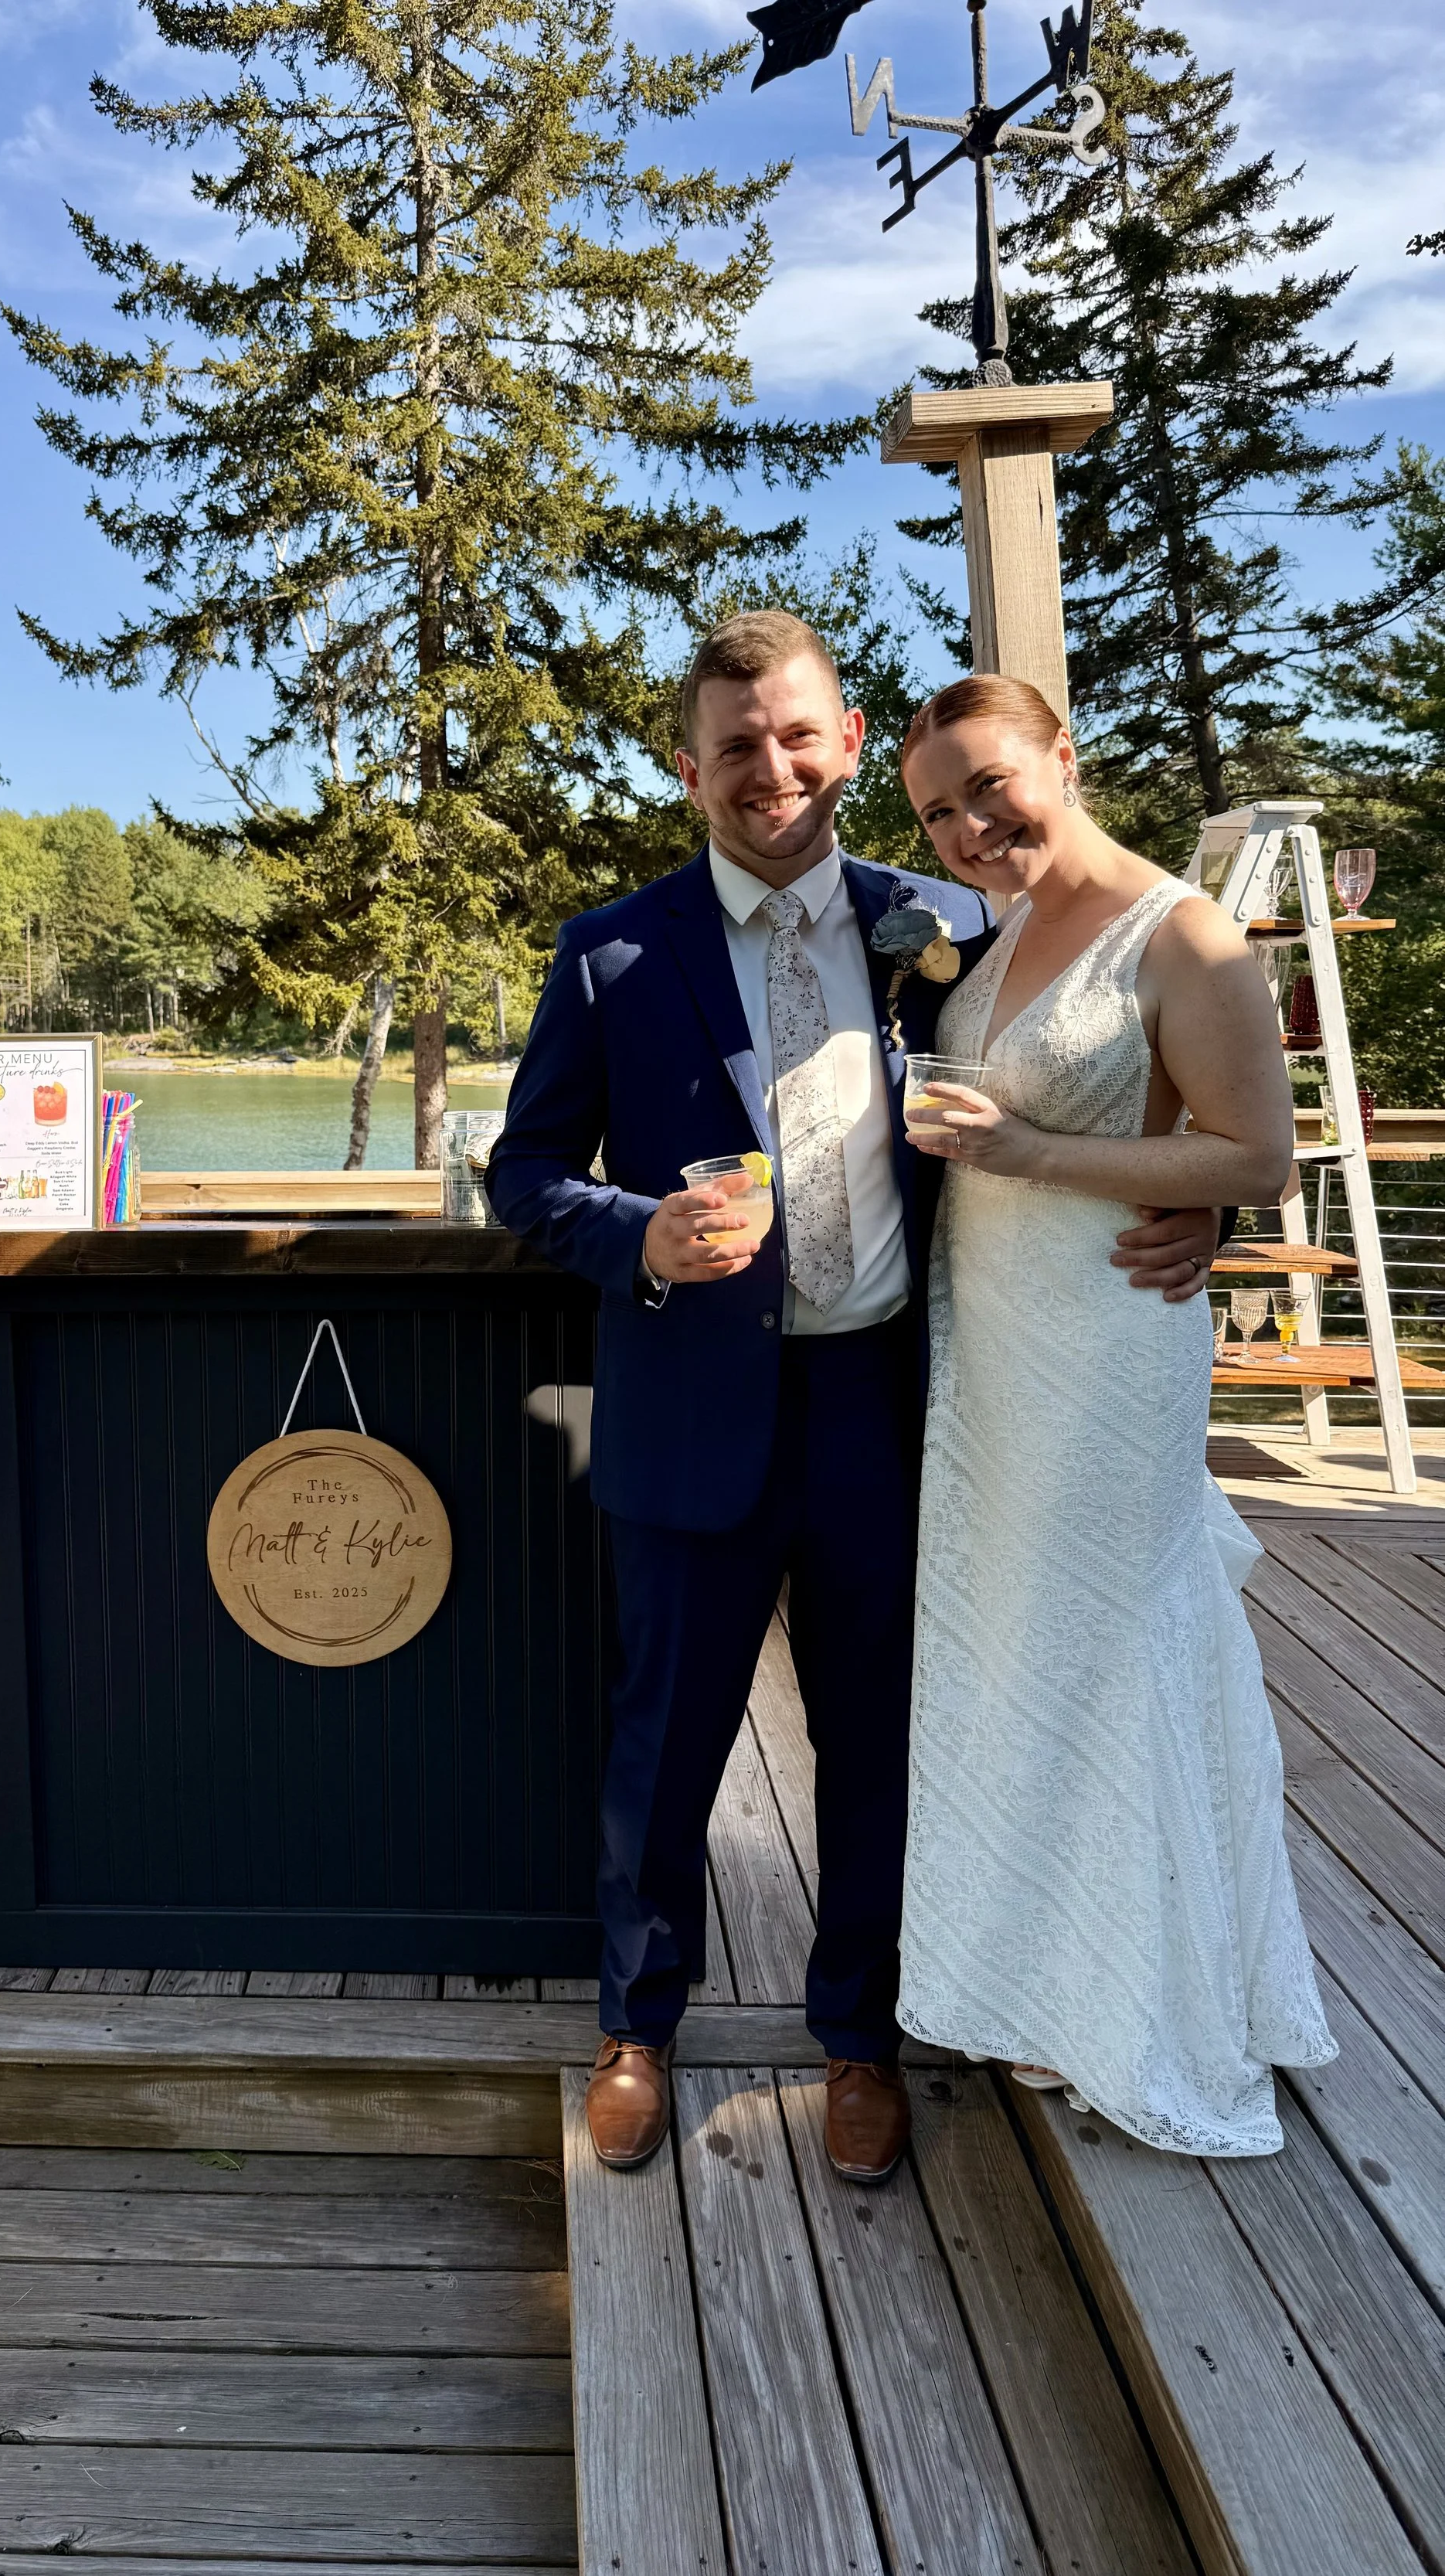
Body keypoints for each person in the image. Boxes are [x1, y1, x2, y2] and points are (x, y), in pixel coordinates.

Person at [484, 612, 1227, 2179]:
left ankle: (858, 2034)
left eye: (798, 734)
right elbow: (525, 1175)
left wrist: (1196, 1199)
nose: (772, 768)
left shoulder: (951, 921)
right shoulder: (610, 952)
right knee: (659, 1745)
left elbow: (1097, 1062)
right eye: (736, 744)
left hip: (890, 1410)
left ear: (845, 738)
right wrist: (642, 1236)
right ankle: (634, 2023)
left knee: (878, 1741)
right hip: (686, 1408)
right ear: (687, 768)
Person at [894, 674, 1335, 2154]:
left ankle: (1147, 2010)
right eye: (938, 811)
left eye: (988, 787)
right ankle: (1038, 1985)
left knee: (1111, 1647)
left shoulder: (1187, 932)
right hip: (992, 1348)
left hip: (1106, 1344)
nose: (967, 825)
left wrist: (1024, 1149)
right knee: (1017, 1651)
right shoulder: (995, 927)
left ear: (1062, 759)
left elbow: (1260, 1158)